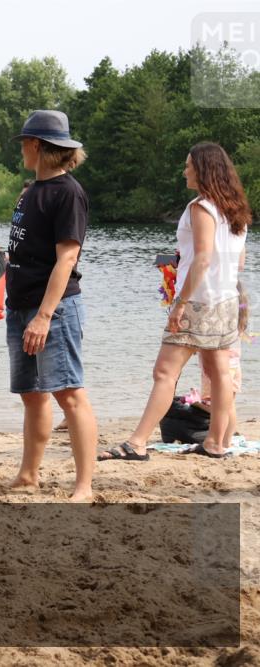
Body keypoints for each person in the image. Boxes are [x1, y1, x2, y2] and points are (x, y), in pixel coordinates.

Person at [100, 143, 250, 460]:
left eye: (188, 165)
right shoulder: (236, 209)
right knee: (219, 372)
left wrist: (180, 302)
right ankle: (217, 443)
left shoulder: (201, 208)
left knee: (165, 373)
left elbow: (204, 259)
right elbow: (238, 263)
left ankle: (137, 443)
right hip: (226, 300)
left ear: (203, 170)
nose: (184, 171)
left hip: (198, 302)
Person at [3, 110, 97, 502]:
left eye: (25, 141)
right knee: (32, 393)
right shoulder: (31, 191)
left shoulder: (67, 193)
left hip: (52, 311)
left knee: (68, 393)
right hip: (20, 304)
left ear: (38, 146)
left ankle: (84, 486)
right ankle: (28, 474)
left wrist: (43, 316)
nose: (21, 148)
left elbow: (67, 260)